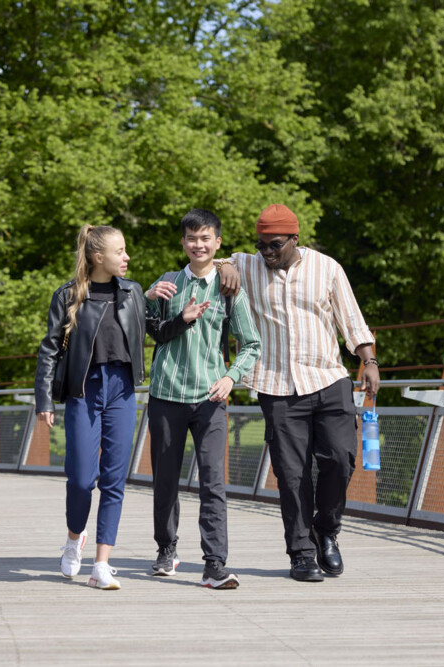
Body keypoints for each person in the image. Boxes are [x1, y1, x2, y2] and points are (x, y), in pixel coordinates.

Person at [216, 204, 380, 582]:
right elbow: (216, 256)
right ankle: (302, 553)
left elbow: (350, 319)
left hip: (328, 378)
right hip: (276, 385)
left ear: (294, 239)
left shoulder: (328, 268)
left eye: (274, 245)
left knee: (341, 459)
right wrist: (226, 263)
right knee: (292, 475)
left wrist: (369, 361)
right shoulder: (248, 264)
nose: (267, 252)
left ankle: (327, 530)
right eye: (261, 245)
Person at [144, 209, 261, 589]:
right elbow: (153, 333)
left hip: (211, 399)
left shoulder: (230, 290)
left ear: (217, 243)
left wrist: (231, 378)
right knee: (165, 480)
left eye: (206, 238)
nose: (199, 244)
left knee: (213, 483)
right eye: (192, 238)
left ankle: (214, 564)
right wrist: (173, 314)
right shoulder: (166, 284)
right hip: (166, 394)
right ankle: (166, 549)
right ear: (183, 242)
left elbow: (252, 344)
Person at [34, 224, 146, 590]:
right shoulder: (67, 295)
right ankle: (73, 540)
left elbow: (155, 329)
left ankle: (102, 564)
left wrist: (181, 316)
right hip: (84, 389)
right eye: (120, 252)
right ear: (99, 257)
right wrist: (44, 399)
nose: (127, 257)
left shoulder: (133, 293)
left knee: (114, 479)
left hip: (122, 390)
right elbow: (49, 349)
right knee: (82, 479)